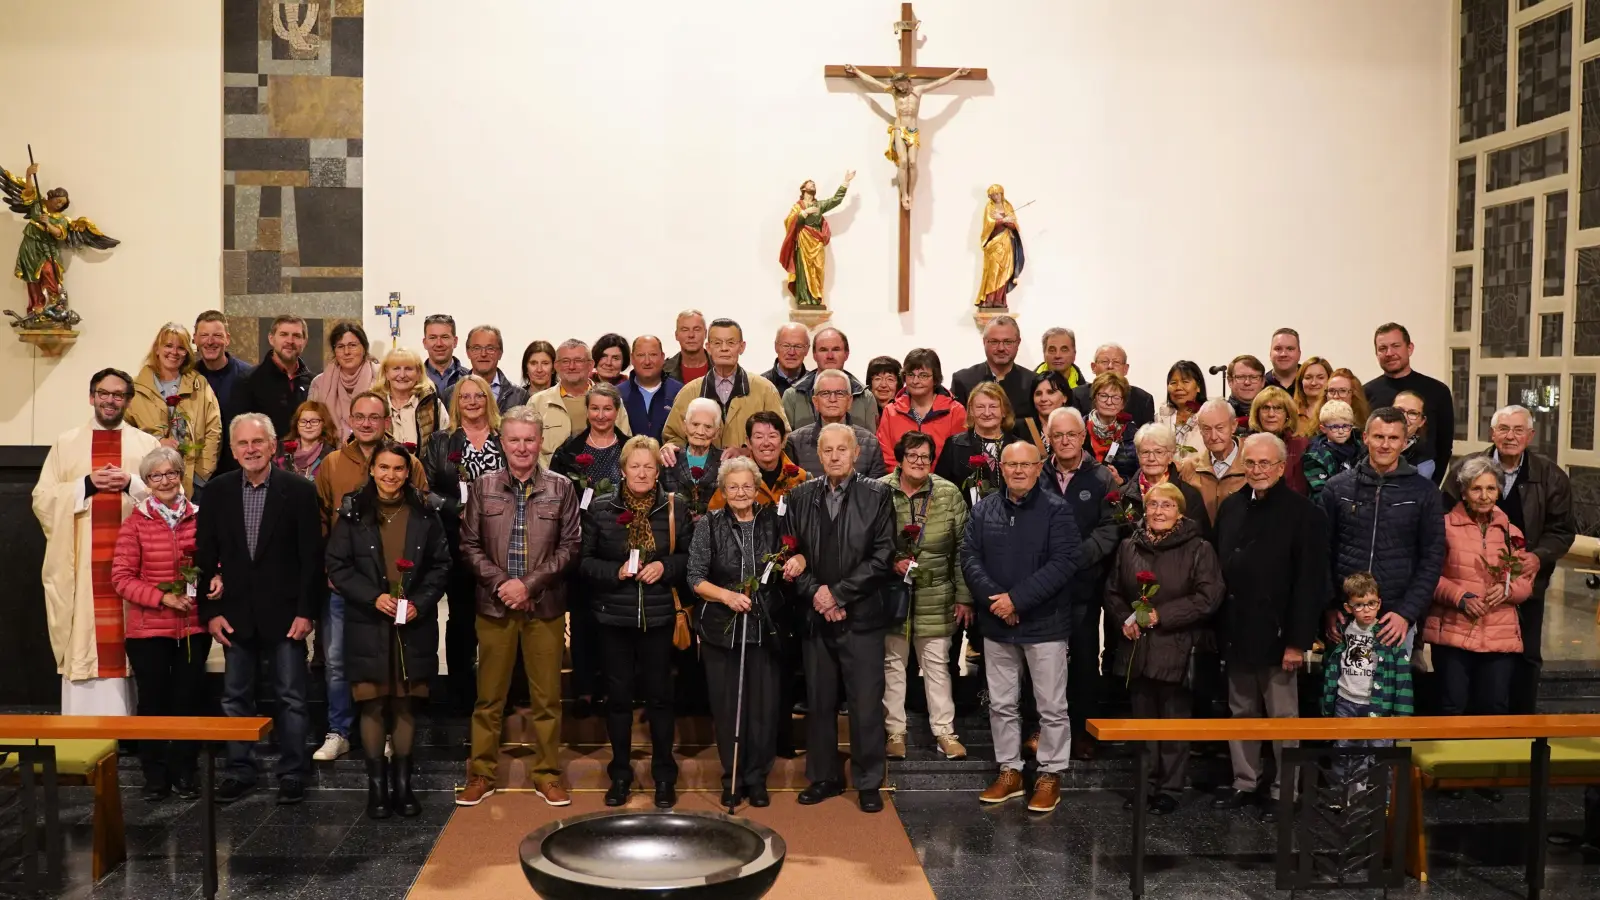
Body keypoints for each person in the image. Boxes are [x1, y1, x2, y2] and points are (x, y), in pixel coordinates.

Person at [195, 412, 324, 804]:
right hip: (233, 615)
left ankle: (293, 771)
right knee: (235, 697)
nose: (250, 450)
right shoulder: (216, 492)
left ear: (272, 446)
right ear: (233, 451)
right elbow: (204, 555)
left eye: (257, 442)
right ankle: (239, 770)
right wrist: (209, 612)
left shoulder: (298, 491)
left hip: (286, 615)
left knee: (290, 696)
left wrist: (307, 612)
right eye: (242, 444)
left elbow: (311, 559)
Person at [458, 405, 580, 807]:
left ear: (541, 442)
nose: (523, 447)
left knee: (547, 700)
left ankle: (546, 774)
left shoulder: (562, 487)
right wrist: (503, 585)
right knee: (488, 698)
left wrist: (527, 585)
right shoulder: (483, 487)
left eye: (530, 439)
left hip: (543, 607)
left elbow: (570, 547)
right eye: (514, 440)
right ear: (502, 442)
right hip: (494, 608)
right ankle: (481, 774)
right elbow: (469, 546)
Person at [325, 441, 451, 819]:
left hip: (413, 620)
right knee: (374, 702)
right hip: (369, 621)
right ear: (372, 470)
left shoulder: (426, 512)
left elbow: (441, 566)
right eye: (383, 468)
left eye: (398, 469)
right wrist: (372, 597)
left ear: (407, 472)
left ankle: (404, 786)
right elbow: (337, 566)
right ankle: (376, 789)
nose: (390, 475)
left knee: (406, 702)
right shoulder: (352, 511)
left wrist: (421, 603)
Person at [1211, 434, 1329, 820]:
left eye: (1266, 464)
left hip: (1279, 635)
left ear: (1281, 468)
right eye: (1251, 463)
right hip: (1236, 628)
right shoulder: (1231, 508)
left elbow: (1310, 583)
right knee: (1240, 711)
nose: (1257, 471)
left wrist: (1297, 642)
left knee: (1282, 716)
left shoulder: (1304, 513)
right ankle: (1245, 781)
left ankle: (1285, 789)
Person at [34, 368, 161, 715]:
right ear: (92, 397)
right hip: (83, 565)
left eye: (118, 394)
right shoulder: (67, 442)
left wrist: (132, 483)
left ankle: (129, 727)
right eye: (104, 393)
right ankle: (82, 722)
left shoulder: (145, 445)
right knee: (84, 636)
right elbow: (42, 499)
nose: (110, 400)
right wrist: (86, 485)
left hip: (134, 566)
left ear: (128, 401)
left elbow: (170, 499)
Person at [785, 424, 897, 812]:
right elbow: (789, 553)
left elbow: (883, 556)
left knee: (865, 704)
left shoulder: (878, 494)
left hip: (861, 616)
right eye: (826, 450)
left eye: (841, 450)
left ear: (855, 454)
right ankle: (824, 777)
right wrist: (816, 592)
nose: (834, 456)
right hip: (815, 616)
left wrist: (838, 594)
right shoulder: (799, 496)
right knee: (819, 702)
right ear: (818, 455)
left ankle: (867, 781)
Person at [312, 393, 427, 762]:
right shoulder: (331, 463)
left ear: (385, 421)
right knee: (336, 659)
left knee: (391, 659)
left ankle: (391, 734)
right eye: (359, 416)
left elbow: (423, 521)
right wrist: (332, 569)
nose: (366, 423)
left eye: (374, 417)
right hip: (345, 583)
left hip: (396, 586)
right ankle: (339, 730)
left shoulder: (410, 462)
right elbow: (320, 520)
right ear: (349, 419)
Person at [967, 441, 1080, 813]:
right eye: (1011, 464)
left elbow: (1064, 564)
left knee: (1051, 706)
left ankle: (1050, 773)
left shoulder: (1058, 511)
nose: (1017, 471)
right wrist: (998, 602)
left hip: (1044, 624)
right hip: (998, 624)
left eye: (1025, 465)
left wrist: (1018, 600)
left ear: (1038, 467)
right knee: (1001, 704)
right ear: (1000, 467)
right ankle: (1010, 771)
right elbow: (969, 559)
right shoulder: (983, 511)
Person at [579, 435, 690, 809]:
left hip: (658, 617)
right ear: (622, 470)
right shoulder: (601, 508)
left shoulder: (676, 508)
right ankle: (621, 775)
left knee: (660, 699)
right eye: (635, 466)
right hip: (613, 618)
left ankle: (663, 776)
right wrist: (616, 573)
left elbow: (691, 558)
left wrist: (666, 565)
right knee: (619, 701)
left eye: (649, 467)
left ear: (658, 471)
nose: (642, 473)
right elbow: (584, 562)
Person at [1442, 405, 1574, 714]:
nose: (1510, 436)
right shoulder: (1467, 467)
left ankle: (1519, 727)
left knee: (1526, 655)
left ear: (1530, 435)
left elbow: (1562, 530)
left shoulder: (1551, 476)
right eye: (1503, 429)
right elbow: (1443, 516)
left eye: (1518, 430)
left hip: (1526, 581)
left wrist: (1537, 558)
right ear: (1492, 434)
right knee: (1462, 663)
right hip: (1468, 581)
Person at [1105, 481, 1223, 814]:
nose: (1159, 511)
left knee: (1172, 724)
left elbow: (1208, 597)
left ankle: (1170, 789)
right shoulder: (1129, 546)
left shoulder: (1199, 548)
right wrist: (1123, 621)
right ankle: (1146, 785)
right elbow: (1113, 591)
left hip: (1177, 645)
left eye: (1167, 505)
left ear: (1180, 512)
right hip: (1137, 648)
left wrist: (1161, 615)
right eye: (1153, 504)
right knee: (1143, 724)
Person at [111, 447, 211, 802]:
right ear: (148, 483)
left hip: (192, 627)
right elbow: (121, 578)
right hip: (148, 630)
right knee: (152, 702)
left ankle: (186, 772)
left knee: (188, 700)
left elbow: (217, 562)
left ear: (182, 475)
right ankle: (154, 775)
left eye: (171, 473)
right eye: (156, 476)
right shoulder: (136, 522)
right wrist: (162, 597)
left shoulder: (201, 517)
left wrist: (217, 580)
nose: (165, 481)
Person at [689, 457, 787, 808]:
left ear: (757, 487)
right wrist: (727, 596)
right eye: (733, 487)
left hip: (764, 625)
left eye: (748, 486)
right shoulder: (710, 524)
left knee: (762, 708)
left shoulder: (774, 521)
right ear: (723, 491)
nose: (741, 492)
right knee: (728, 707)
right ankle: (731, 775)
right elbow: (695, 578)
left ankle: (757, 777)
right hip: (722, 629)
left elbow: (792, 555)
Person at [1320, 407, 1446, 661]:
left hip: (1395, 620)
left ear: (1405, 441)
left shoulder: (1425, 492)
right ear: (1365, 438)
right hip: (1345, 615)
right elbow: (1321, 552)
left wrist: (1406, 613)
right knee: (1341, 698)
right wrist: (1329, 607)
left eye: (1393, 438)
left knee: (1389, 698)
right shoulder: (1337, 487)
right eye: (1378, 437)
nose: (1385, 445)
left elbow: (1432, 559)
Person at [880, 431, 971, 763]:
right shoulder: (879, 490)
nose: (919, 463)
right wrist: (892, 561)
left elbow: (963, 550)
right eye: (912, 456)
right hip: (892, 594)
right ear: (899, 458)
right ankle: (895, 732)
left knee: (937, 666)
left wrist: (963, 597)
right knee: (893, 665)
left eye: (925, 457)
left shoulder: (948, 493)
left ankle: (945, 732)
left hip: (937, 594)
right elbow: (867, 542)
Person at [1427, 458, 1539, 725]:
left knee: (1494, 710)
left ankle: (1488, 767)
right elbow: (1428, 576)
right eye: (1476, 489)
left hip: (1498, 634)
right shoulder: (1443, 527)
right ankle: (1448, 765)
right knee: (1451, 707)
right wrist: (1460, 597)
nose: (1484, 496)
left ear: (1499, 491)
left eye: (1491, 488)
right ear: (1464, 492)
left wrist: (1507, 590)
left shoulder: (1511, 531)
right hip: (1454, 632)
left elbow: (1526, 580)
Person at [1038, 408, 1120, 759]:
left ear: (1083, 436)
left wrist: (1072, 559)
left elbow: (1111, 527)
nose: (1066, 441)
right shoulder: (1037, 474)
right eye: (1058, 436)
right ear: (1049, 439)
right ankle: (1043, 730)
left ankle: (1084, 732)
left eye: (1072, 434)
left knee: (1085, 661)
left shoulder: (1103, 477)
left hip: (1085, 586)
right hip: (1042, 588)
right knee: (1043, 664)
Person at [421, 374, 506, 712]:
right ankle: (460, 689)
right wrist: (454, 508)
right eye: (465, 397)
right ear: (457, 403)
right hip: (455, 538)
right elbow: (424, 488)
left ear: (489, 400)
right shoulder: (442, 441)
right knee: (460, 615)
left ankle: (498, 689)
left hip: (499, 539)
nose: (472, 402)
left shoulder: (503, 439)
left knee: (498, 615)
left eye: (479, 396)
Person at [1322, 572, 1414, 798]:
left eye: (1371, 604)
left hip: (1377, 705)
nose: (1366, 610)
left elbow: (1402, 677)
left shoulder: (1387, 634)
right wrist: (1327, 706)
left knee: (1379, 754)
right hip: (1346, 701)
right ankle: (1346, 798)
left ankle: (1382, 800)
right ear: (1348, 607)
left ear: (1379, 603)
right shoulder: (1342, 633)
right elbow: (1330, 669)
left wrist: (1403, 720)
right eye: (1359, 605)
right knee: (1343, 752)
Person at [126, 322, 222, 497]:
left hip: (193, 481)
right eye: (168, 346)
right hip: (148, 482)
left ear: (187, 353)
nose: (174, 352)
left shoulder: (198, 384)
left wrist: (202, 475)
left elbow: (213, 429)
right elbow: (126, 434)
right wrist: (156, 442)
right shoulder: (135, 388)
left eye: (181, 348)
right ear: (157, 349)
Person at [663, 318, 787, 450]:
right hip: (701, 469)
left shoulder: (765, 390)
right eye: (717, 343)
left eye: (731, 343)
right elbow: (673, 436)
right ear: (708, 347)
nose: (724, 349)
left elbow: (783, 435)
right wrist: (673, 448)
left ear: (742, 347)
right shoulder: (689, 392)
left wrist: (748, 453)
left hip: (750, 469)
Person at [1363, 323, 1454, 486]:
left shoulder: (1437, 391)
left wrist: (1432, 487)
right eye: (1382, 348)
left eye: (1395, 346)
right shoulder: (1366, 393)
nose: (1389, 353)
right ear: (1376, 353)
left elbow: (1444, 446)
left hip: (1423, 482)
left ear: (1410, 348)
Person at [533, 339, 634, 467]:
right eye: (565, 361)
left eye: (578, 361)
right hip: (551, 482)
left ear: (591, 365)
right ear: (556, 366)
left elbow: (626, 447)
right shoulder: (537, 402)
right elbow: (531, 449)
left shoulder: (611, 399)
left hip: (607, 481)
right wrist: (550, 479)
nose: (571, 366)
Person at [935, 382, 1026, 505]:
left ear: (1004, 411)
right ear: (971, 411)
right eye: (980, 407)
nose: (987, 413)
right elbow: (941, 491)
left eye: (993, 407)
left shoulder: (1019, 447)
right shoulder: (954, 445)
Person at [877, 348, 966, 471]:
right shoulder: (890, 411)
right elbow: (886, 456)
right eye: (910, 375)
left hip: (943, 485)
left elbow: (959, 457)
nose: (915, 381)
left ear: (935, 379)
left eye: (923, 376)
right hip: (898, 484)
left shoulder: (955, 411)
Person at [786, 369, 887, 479]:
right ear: (815, 402)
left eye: (839, 393)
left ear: (849, 401)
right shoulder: (795, 442)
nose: (832, 399)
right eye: (825, 393)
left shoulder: (870, 443)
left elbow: (877, 491)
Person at [780, 327, 878, 430]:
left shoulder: (865, 397)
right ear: (814, 355)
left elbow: (870, 442)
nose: (830, 356)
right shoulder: (792, 396)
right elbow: (786, 442)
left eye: (836, 349)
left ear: (846, 354)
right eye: (823, 350)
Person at [193, 310, 254, 476]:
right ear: (195, 339)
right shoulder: (186, 378)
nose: (210, 341)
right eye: (204, 335)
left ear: (227, 338)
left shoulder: (250, 377)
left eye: (217, 335)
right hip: (197, 474)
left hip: (238, 471)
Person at [707, 412, 809, 510]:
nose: (766, 443)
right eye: (759, 437)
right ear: (748, 442)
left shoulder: (801, 478)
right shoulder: (732, 477)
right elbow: (712, 518)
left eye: (772, 436)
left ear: (783, 441)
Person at [235, 314, 312, 443]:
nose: (290, 341)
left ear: (304, 341)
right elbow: (240, 434)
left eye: (297, 336)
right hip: (267, 461)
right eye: (283, 334)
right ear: (271, 339)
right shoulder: (248, 381)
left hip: (308, 460)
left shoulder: (314, 383)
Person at [1124, 423, 1211, 537]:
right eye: (1145, 452)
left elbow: (1200, 540)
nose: (1151, 458)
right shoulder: (1123, 496)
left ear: (1170, 457)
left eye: (1159, 452)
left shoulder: (1189, 495)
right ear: (1138, 455)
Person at [952, 315, 1035, 421]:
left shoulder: (1033, 382)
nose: (1001, 348)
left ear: (1018, 343)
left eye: (1008, 342)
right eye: (994, 342)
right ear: (984, 342)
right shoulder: (963, 380)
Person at [1177, 399, 1247, 521]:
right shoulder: (1189, 469)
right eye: (1207, 429)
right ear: (1199, 429)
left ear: (1234, 426)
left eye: (1220, 428)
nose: (1214, 437)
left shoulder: (1252, 466)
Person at [308, 322, 377, 439]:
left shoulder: (381, 377)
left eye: (352, 345)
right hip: (331, 449)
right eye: (340, 346)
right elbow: (311, 422)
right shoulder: (319, 383)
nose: (346, 352)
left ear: (364, 348)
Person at [442, 324, 530, 414]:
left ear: (500, 353)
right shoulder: (450, 394)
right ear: (468, 353)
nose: (483, 354)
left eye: (490, 348)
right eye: (476, 348)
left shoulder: (520, 396)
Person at [377, 347, 449, 448]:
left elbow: (446, 444)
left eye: (408, 369)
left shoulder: (433, 406)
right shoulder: (375, 406)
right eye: (396, 368)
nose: (402, 375)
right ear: (386, 373)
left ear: (419, 373)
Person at [1071, 343, 1156, 428]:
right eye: (1104, 362)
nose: (1110, 366)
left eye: (1116, 362)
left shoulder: (1143, 399)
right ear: (1093, 367)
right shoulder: (1076, 395)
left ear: (1125, 369)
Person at [1248, 386, 1310, 495]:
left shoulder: (1301, 445)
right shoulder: (1247, 445)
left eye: (1278, 408)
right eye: (1265, 408)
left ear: (1287, 414)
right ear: (1257, 414)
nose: (1271, 414)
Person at [619, 335, 682, 441]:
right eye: (641, 355)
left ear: (662, 357)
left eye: (653, 354)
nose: (647, 361)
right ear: (632, 359)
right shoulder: (618, 394)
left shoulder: (680, 392)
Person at [661, 397, 723, 503]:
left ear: (716, 432)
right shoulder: (669, 459)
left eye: (708, 427)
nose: (700, 432)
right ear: (685, 426)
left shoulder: (725, 462)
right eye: (695, 424)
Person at [1083, 371, 1138, 484]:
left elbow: (1138, 473)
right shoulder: (1079, 427)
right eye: (1103, 396)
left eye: (1116, 397)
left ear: (1123, 403)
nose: (1109, 402)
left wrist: (1121, 481)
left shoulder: (1132, 433)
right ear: (1094, 399)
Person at [1301, 400, 1361, 502]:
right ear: (1323, 429)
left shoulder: (1360, 448)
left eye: (1345, 426)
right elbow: (1320, 493)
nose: (1341, 431)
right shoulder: (1315, 457)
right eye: (1335, 427)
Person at [1154, 360, 1207, 461]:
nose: (1178, 387)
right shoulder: (1161, 416)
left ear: (1198, 387)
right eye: (1173, 383)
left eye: (1185, 382)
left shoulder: (1208, 415)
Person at [276, 400, 337, 479]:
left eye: (314, 421)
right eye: (303, 421)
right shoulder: (281, 449)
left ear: (324, 424)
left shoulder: (331, 455)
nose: (308, 426)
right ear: (296, 424)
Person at [1017, 370, 1073, 456]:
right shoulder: (1019, 428)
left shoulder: (1076, 426)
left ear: (1064, 397)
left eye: (1050, 392)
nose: (1043, 399)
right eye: (1038, 394)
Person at [1392, 390, 1435, 482]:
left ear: (1422, 421)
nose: (1404, 418)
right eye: (1399, 410)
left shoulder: (1424, 461)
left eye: (1413, 413)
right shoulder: (1370, 444)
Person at [422, 313, 469, 396]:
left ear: (455, 342)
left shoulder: (470, 378)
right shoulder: (414, 379)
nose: (439, 344)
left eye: (445, 337)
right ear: (425, 343)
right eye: (433, 338)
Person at [762, 323, 811, 396]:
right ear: (776, 347)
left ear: (807, 350)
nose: (791, 352)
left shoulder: (815, 384)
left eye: (798, 346)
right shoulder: (761, 385)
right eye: (786, 346)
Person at [664, 308, 710, 384]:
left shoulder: (722, 368)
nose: (691, 335)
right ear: (676, 335)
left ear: (705, 333)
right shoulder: (662, 371)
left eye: (696, 329)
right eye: (685, 330)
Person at [1293, 356, 1333, 437]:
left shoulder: (1337, 410)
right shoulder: (1290, 411)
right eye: (1308, 378)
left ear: (1329, 380)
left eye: (1320, 377)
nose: (1314, 383)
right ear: (1301, 382)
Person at [1225, 355, 1267, 420]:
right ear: (1230, 381)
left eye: (1254, 377)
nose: (1247, 382)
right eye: (1241, 377)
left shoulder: (1272, 415)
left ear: (1263, 381)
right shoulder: (1219, 414)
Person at [865, 355, 903, 423]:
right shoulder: (862, 413)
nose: (883, 385)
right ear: (870, 383)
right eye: (878, 379)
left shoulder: (906, 414)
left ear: (898, 384)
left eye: (890, 379)